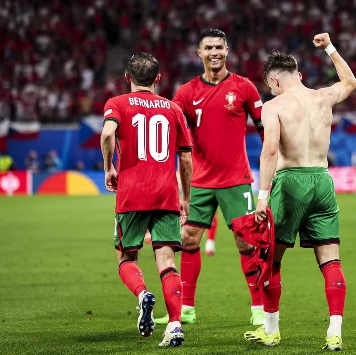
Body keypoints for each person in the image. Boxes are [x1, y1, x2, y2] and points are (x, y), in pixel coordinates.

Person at [244, 33, 356, 350]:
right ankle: (335, 332)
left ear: (274, 82)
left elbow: (268, 153)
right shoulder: (323, 97)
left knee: (271, 259)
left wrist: (262, 197)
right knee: (331, 261)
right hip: (322, 180)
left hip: (290, 182)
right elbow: (350, 82)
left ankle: (271, 330)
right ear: (300, 75)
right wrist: (331, 48)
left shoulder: (274, 105)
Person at [155, 29, 265, 326]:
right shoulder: (187, 92)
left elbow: (266, 128)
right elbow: (171, 132)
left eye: (219, 47)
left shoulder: (244, 88)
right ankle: (186, 309)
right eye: (208, 47)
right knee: (189, 240)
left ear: (227, 50)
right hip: (201, 182)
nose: (214, 51)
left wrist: (273, 166)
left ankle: (258, 308)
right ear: (199, 53)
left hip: (236, 179)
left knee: (246, 243)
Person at [100, 52, 193, 347]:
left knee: (126, 256)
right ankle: (175, 324)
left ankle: (142, 294)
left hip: (132, 193)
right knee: (167, 261)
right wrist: (186, 197)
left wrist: (109, 167)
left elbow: (106, 135)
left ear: (127, 78)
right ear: (157, 79)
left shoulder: (117, 104)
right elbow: (186, 159)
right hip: (166, 194)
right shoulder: (173, 108)